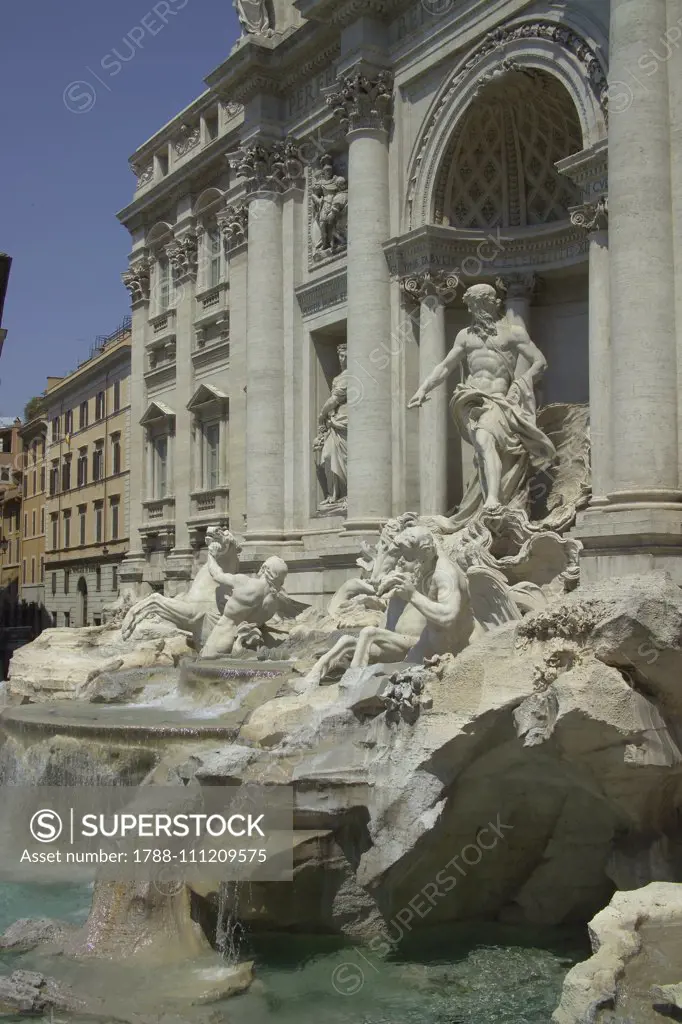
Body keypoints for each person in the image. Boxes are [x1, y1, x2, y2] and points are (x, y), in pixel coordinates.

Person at [408, 283, 555, 527]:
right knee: (483, 446)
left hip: (499, 399)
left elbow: (540, 362)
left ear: (494, 303)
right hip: (470, 398)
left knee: (486, 441)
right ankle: (490, 499)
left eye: (480, 304)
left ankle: (494, 500)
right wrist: (424, 388)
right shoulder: (465, 336)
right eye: (472, 305)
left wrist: (521, 384)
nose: (476, 310)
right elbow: (445, 366)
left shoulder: (513, 332)